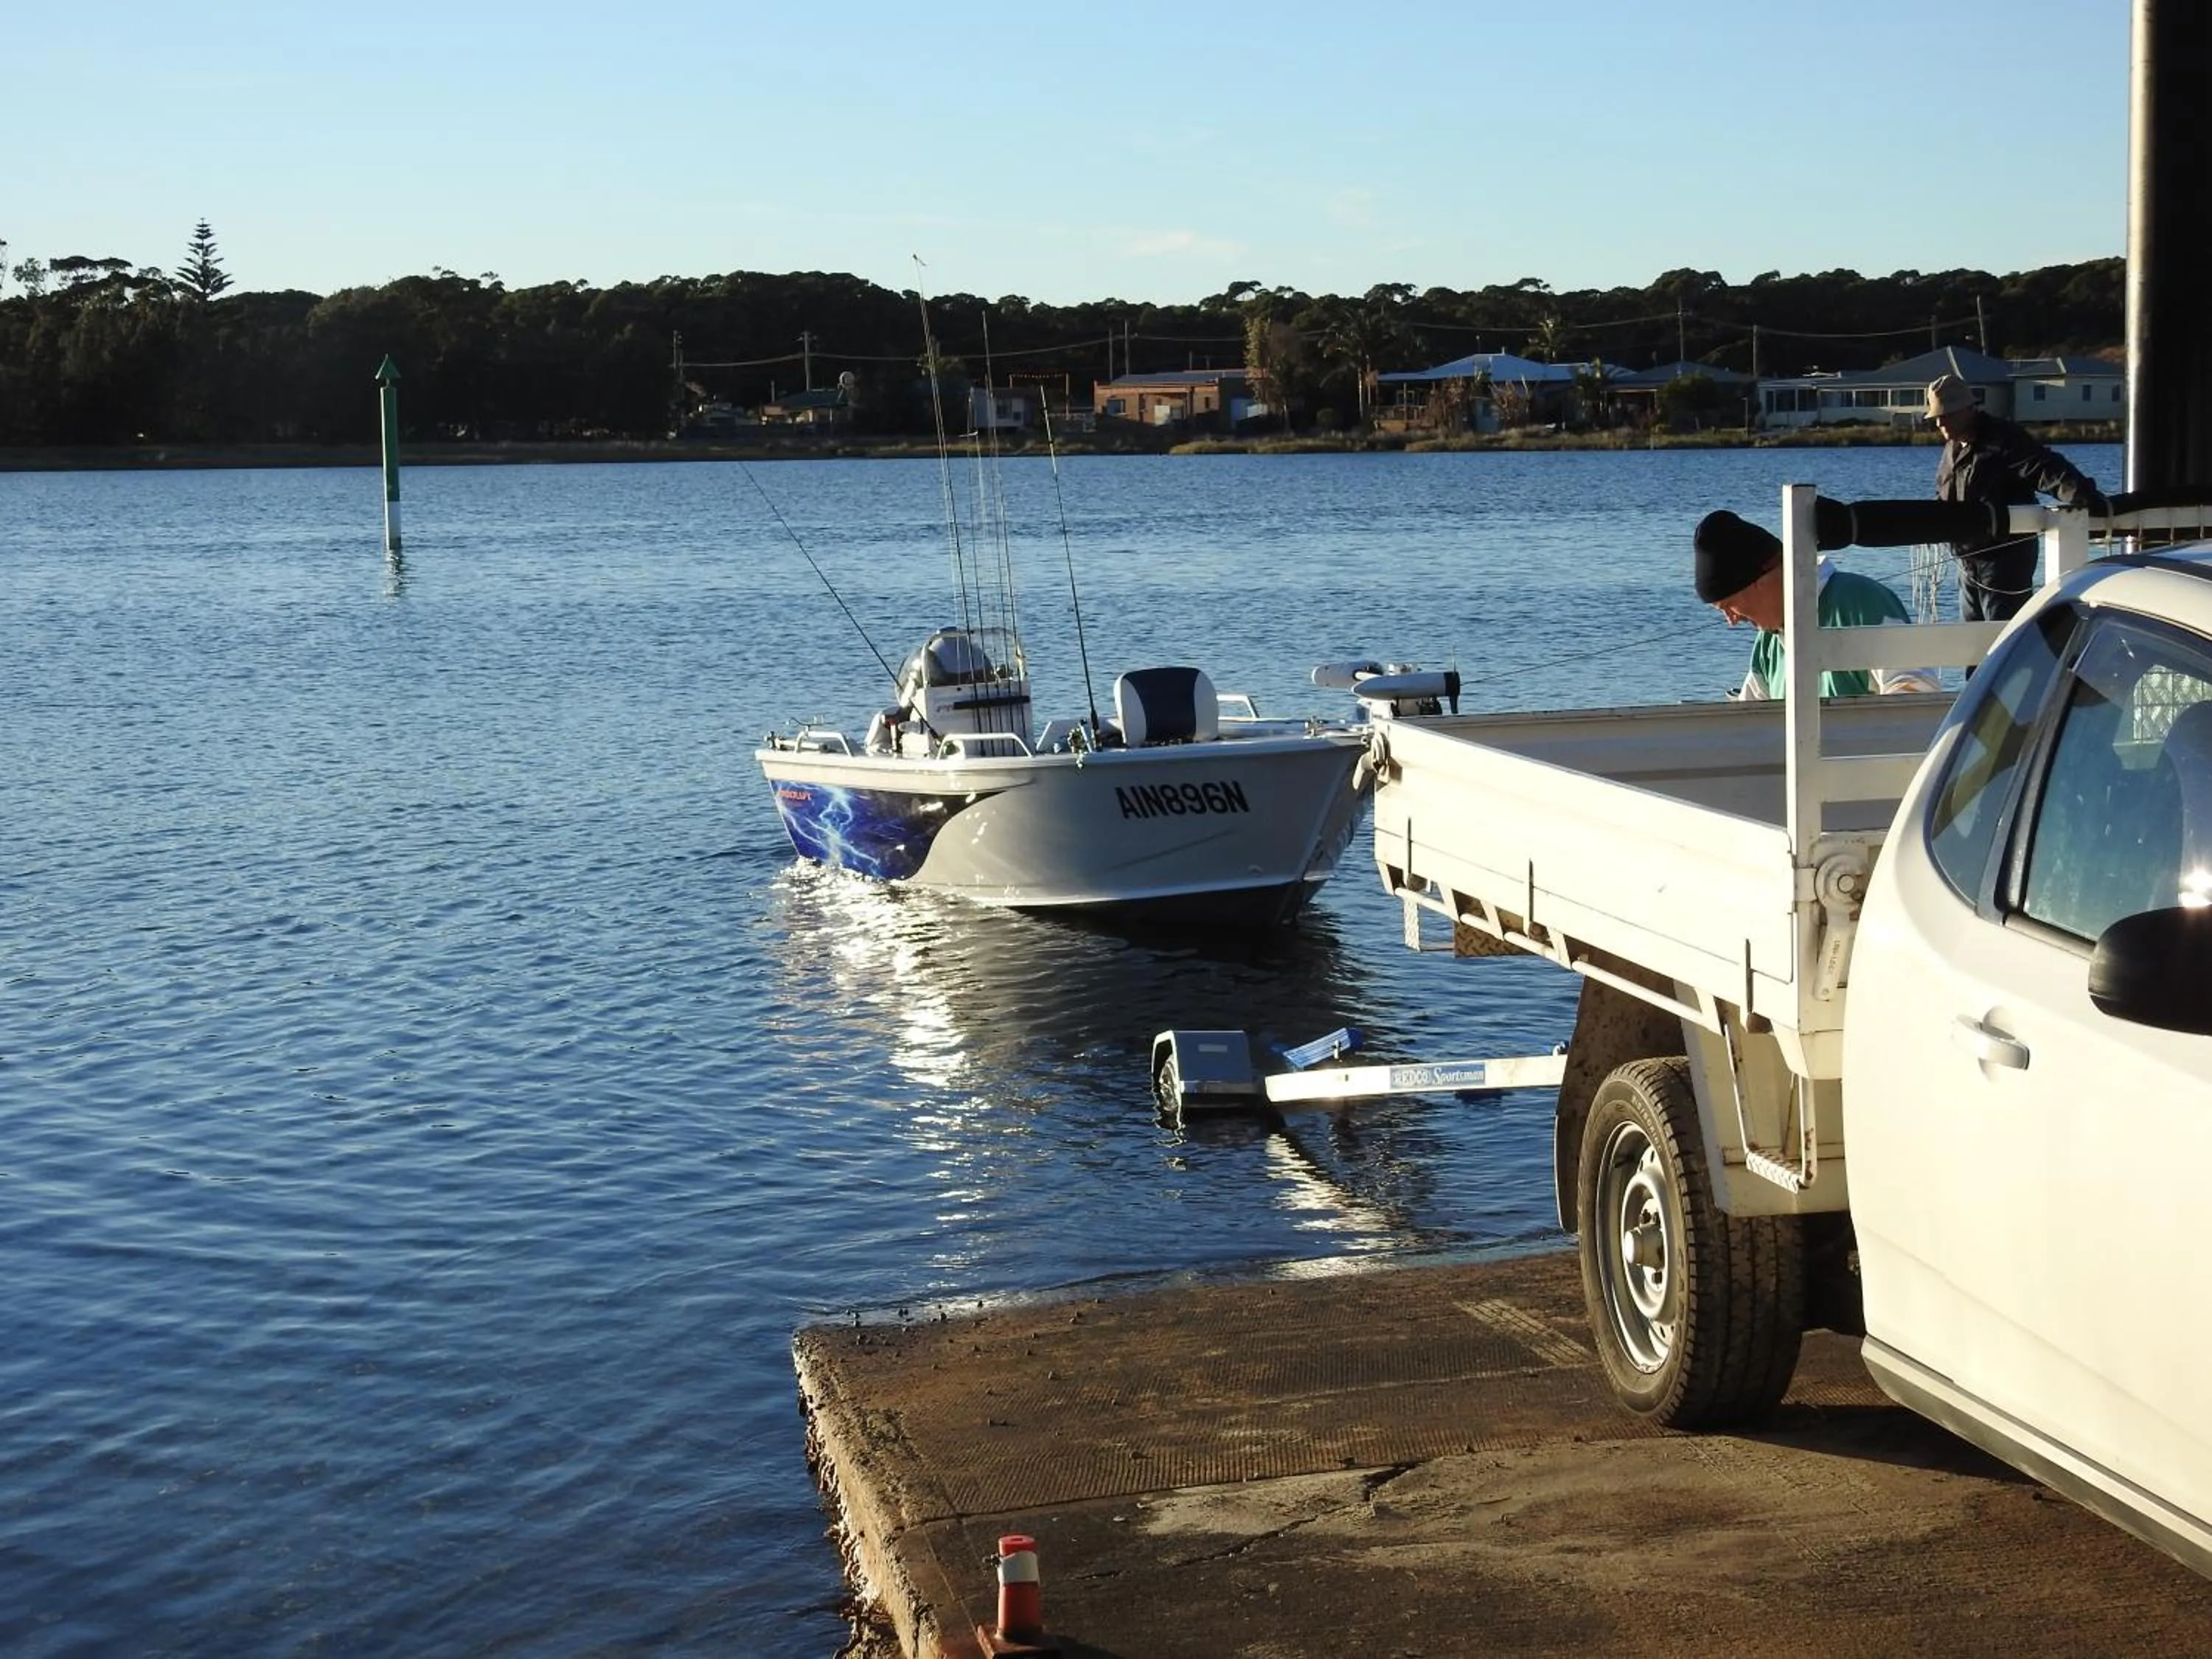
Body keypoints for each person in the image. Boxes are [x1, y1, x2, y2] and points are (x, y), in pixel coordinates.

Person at [1694, 509, 1936, 700]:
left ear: (1760, 580)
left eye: (1729, 606)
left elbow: (1917, 694)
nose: (1732, 621)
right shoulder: (1768, 642)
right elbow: (1750, 725)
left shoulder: (1859, 601)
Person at [1928, 372, 2108, 622]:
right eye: (1937, 418)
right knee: (1971, 644)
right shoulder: (1953, 447)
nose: (1939, 424)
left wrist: (2087, 499)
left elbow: (2046, 469)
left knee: (2005, 637)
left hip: (2004, 561)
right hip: (1967, 560)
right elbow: (1945, 492)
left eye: (1945, 416)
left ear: (1968, 410)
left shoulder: (2004, 438)